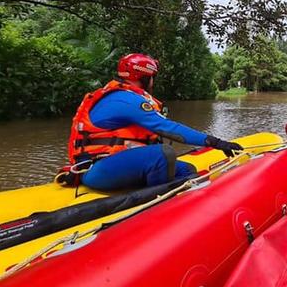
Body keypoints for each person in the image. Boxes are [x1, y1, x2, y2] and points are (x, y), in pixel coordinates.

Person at [67, 53, 243, 191]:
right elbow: (168, 128)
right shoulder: (127, 101)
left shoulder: (120, 95)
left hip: (110, 164)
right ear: (144, 77)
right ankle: (157, 200)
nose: (152, 81)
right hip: (97, 170)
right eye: (152, 76)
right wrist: (216, 142)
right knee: (162, 154)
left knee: (185, 170)